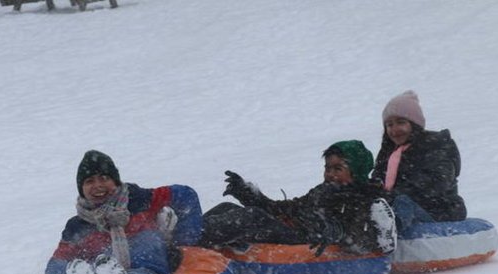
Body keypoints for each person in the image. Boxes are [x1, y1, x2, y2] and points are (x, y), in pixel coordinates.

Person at [45, 150, 203, 274]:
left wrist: (185, 245)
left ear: (115, 181)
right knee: (89, 270)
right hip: (101, 272)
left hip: (147, 268)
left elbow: (186, 196)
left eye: (104, 178)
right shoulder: (78, 227)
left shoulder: (140, 199)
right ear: (81, 189)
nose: (98, 185)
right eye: (89, 181)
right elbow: (55, 265)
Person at [200, 140, 395, 256]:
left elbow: (361, 237)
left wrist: (335, 232)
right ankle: (189, 231)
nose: (330, 174)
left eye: (338, 169)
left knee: (253, 217)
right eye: (327, 168)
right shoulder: (323, 191)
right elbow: (282, 209)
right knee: (228, 208)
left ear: (356, 172)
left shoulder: (362, 199)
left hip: (307, 242)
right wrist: (249, 194)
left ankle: (193, 236)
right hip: (294, 231)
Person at [371, 90, 467, 232]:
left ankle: (385, 233)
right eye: (389, 125)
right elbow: (378, 178)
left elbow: (436, 181)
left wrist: (394, 195)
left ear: (414, 124)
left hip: (439, 209)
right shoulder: (389, 152)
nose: (395, 129)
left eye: (401, 122)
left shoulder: (435, 146)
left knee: (402, 202)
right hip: (397, 204)